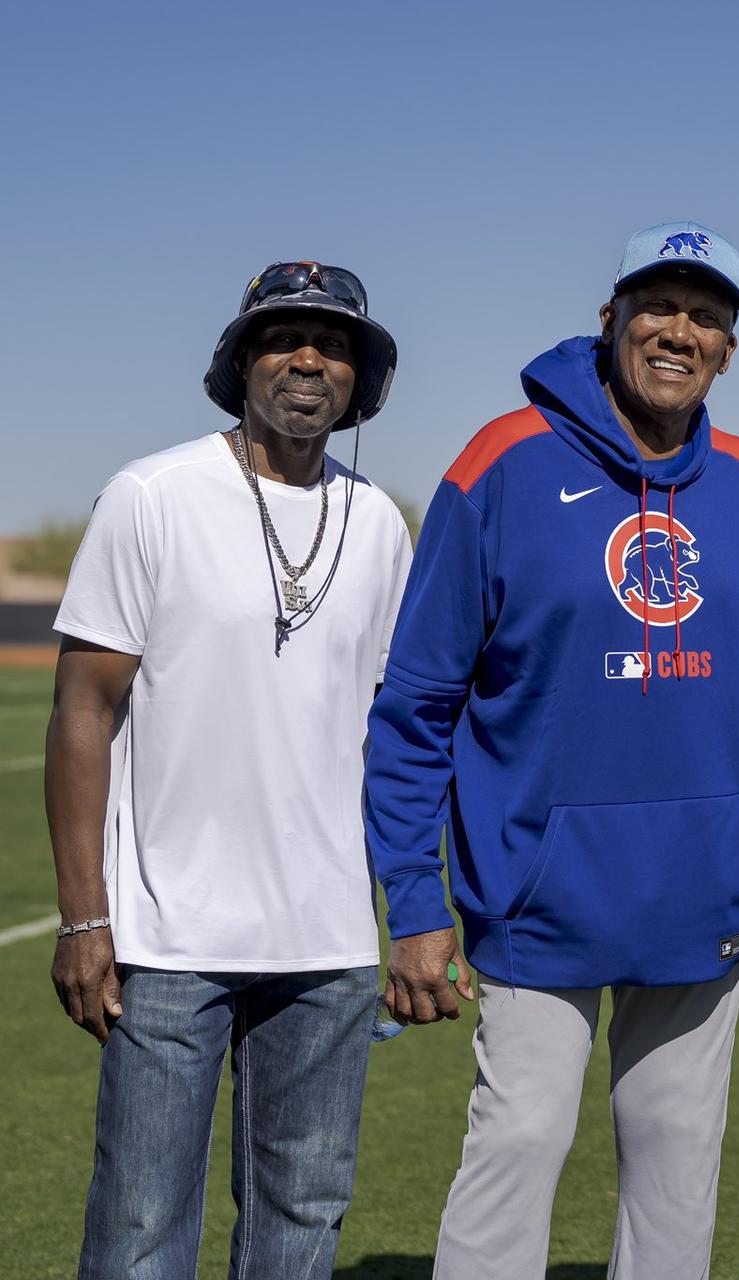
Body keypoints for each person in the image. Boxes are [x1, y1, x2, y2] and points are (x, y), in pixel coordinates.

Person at [362, 221, 739, 1279]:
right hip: (534, 893)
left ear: (728, 349)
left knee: (677, 1163)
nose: (678, 331)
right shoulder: (501, 462)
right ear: (609, 320)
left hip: (701, 891)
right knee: (515, 1147)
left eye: (706, 316)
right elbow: (415, 704)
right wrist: (416, 905)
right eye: (658, 305)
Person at [47, 261, 411, 1279]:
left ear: (361, 376)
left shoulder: (380, 522)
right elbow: (84, 709)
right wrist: (86, 917)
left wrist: (413, 906)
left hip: (328, 938)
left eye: (334, 343)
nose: (308, 358)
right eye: (282, 337)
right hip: (170, 935)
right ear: (241, 359)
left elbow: (394, 725)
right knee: (138, 1224)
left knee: (303, 1214)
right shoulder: (151, 494)